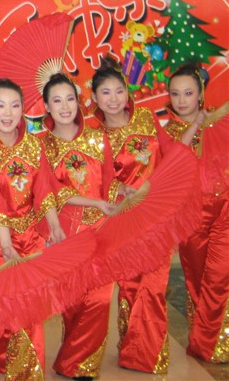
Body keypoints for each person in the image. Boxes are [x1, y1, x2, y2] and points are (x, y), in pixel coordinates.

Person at [0, 78, 64, 377]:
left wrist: (55, 228)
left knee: (24, 306)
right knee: (24, 307)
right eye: (0, 106)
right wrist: (7, 247)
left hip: (32, 236)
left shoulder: (34, 145)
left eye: (14, 105)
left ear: (23, 109)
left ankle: (0, 357)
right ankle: (28, 374)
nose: (8, 113)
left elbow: (44, 190)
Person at [90, 56, 174, 374]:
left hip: (157, 216)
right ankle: (132, 349)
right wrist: (118, 190)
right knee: (129, 287)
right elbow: (97, 181)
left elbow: (168, 158)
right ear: (95, 98)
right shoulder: (95, 136)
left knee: (153, 286)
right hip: (122, 221)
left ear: (127, 92)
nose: (113, 99)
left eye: (118, 91)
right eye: (105, 92)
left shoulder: (147, 119)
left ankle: (148, 355)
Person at [39, 72, 119, 378]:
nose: (64, 107)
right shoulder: (41, 146)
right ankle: (73, 360)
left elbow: (110, 180)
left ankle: (78, 364)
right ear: (47, 106)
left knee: (99, 298)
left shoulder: (98, 138)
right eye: (57, 101)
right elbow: (49, 191)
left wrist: (116, 198)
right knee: (72, 304)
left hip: (101, 231)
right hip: (65, 234)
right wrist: (94, 203)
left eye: (70, 99)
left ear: (79, 101)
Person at [164, 62, 228, 363]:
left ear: (201, 93)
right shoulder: (167, 133)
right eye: (175, 94)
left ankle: (214, 345)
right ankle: (206, 341)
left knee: (219, 279)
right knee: (197, 283)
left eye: (188, 93)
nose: (181, 100)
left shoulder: (219, 122)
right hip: (190, 221)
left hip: (225, 213)